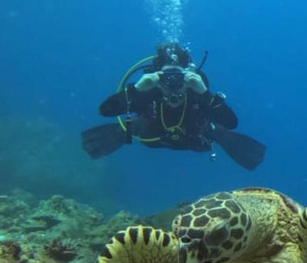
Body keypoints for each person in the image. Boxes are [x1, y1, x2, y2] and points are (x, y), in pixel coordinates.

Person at [80, 42, 266, 170]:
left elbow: (231, 122)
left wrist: (205, 94)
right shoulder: (150, 92)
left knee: (219, 131)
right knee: (132, 126)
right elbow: (105, 110)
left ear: (189, 74)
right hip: (152, 136)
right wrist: (136, 90)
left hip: (194, 138)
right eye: (165, 77)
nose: (172, 84)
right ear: (156, 75)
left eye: (179, 77)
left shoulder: (196, 93)